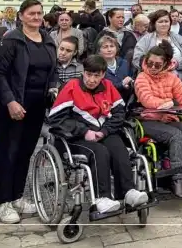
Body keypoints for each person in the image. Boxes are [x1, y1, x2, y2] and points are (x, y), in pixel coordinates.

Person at [48, 55, 149, 213]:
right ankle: (102, 198)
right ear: (83, 72)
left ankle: (128, 192)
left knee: (117, 146)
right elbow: (56, 119)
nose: (92, 79)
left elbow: (119, 114)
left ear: (103, 75)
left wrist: (104, 131)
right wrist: (84, 131)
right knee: (99, 152)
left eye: (96, 75)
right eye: (88, 74)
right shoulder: (71, 87)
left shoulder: (108, 86)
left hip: (102, 132)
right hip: (74, 138)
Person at [0, 0, 58, 224]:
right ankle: (3, 203)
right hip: (13, 105)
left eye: (40, 13)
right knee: (8, 153)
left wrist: (53, 86)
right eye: (32, 13)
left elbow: (53, 71)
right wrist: (10, 101)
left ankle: (18, 196)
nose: (37, 17)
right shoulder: (12, 40)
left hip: (37, 106)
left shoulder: (49, 40)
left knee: (25, 153)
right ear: (21, 16)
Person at [134, 42, 182, 198]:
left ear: (165, 64)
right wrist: (164, 105)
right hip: (148, 121)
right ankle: (177, 179)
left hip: (167, 118)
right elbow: (147, 100)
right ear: (145, 61)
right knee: (175, 135)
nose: (152, 67)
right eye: (150, 63)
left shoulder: (171, 78)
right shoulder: (141, 78)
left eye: (157, 65)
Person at [133, 10, 182, 84]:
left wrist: (177, 64)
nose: (164, 24)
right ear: (154, 23)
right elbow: (136, 58)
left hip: (177, 83)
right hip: (151, 83)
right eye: (160, 22)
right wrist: (154, 66)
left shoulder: (179, 38)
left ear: (170, 23)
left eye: (166, 21)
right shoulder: (145, 39)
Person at [97, 35, 135, 100]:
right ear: (99, 51)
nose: (109, 50)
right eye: (105, 47)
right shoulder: (96, 66)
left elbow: (131, 78)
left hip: (125, 99)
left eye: (112, 46)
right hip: (106, 101)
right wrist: (122, 84)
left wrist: (129, 84)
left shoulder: (124, 63)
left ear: (116, 49)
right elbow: (103, 88)